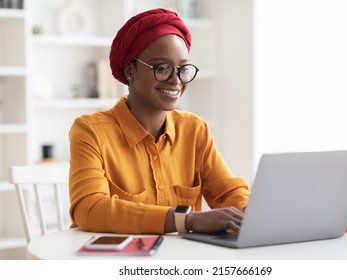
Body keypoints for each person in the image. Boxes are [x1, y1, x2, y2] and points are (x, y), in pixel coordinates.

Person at [68, 8, 250, 235]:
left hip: (179, 262)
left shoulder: (194, 130)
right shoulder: (90, 131)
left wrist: (253, 212)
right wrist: (187, 220)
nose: (176, 80)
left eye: (183, 69)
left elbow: (228, 193)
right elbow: (90, 209)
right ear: (130, 70)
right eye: (161, 68)